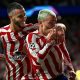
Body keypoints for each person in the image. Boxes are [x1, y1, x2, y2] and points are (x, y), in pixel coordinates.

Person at [26, 9, 76, 80]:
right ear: (40, 22)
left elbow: (64, 51)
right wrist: (49, 43)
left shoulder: (57, 34)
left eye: (55, 22)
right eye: (50, 23)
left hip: (61, 76)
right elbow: (37, 61)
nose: (53, 26)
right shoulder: (32, 37)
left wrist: (70, 69)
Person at [0, 2, 37, 80]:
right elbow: (15, 58)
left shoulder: (31, 28)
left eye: (24, 15)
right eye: (20, 16)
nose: (24, 18)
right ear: (11, 17)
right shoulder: (2, 32)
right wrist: (7, 58)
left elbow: (56, 26)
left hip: (31, 77)